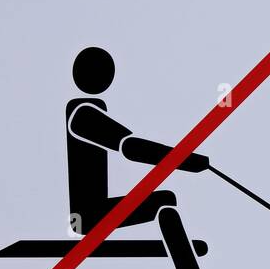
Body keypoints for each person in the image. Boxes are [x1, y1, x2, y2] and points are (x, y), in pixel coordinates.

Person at [65, 46, 210, 233]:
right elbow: (131, 147)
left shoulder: (89, 110)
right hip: (88, 216)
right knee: (164, 202)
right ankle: (185, 260)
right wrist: (188, 161)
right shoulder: (82, 114)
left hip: (96, 210)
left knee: (165, 200)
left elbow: (128, 144)